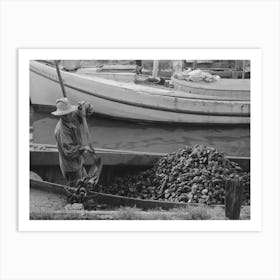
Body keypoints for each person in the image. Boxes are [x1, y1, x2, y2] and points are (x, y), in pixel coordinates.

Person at [51, 98, 94, 187]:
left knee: (85, 184)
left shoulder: (73, 116)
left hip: (78, 161)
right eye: (64, 115)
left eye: (69, 113)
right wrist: (83, 148)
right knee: (77, 190)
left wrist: (86, 106)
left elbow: (87, 113)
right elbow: (69, 152)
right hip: (70, 167)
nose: (68, 117)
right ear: (60, 115)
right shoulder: (62, 131)